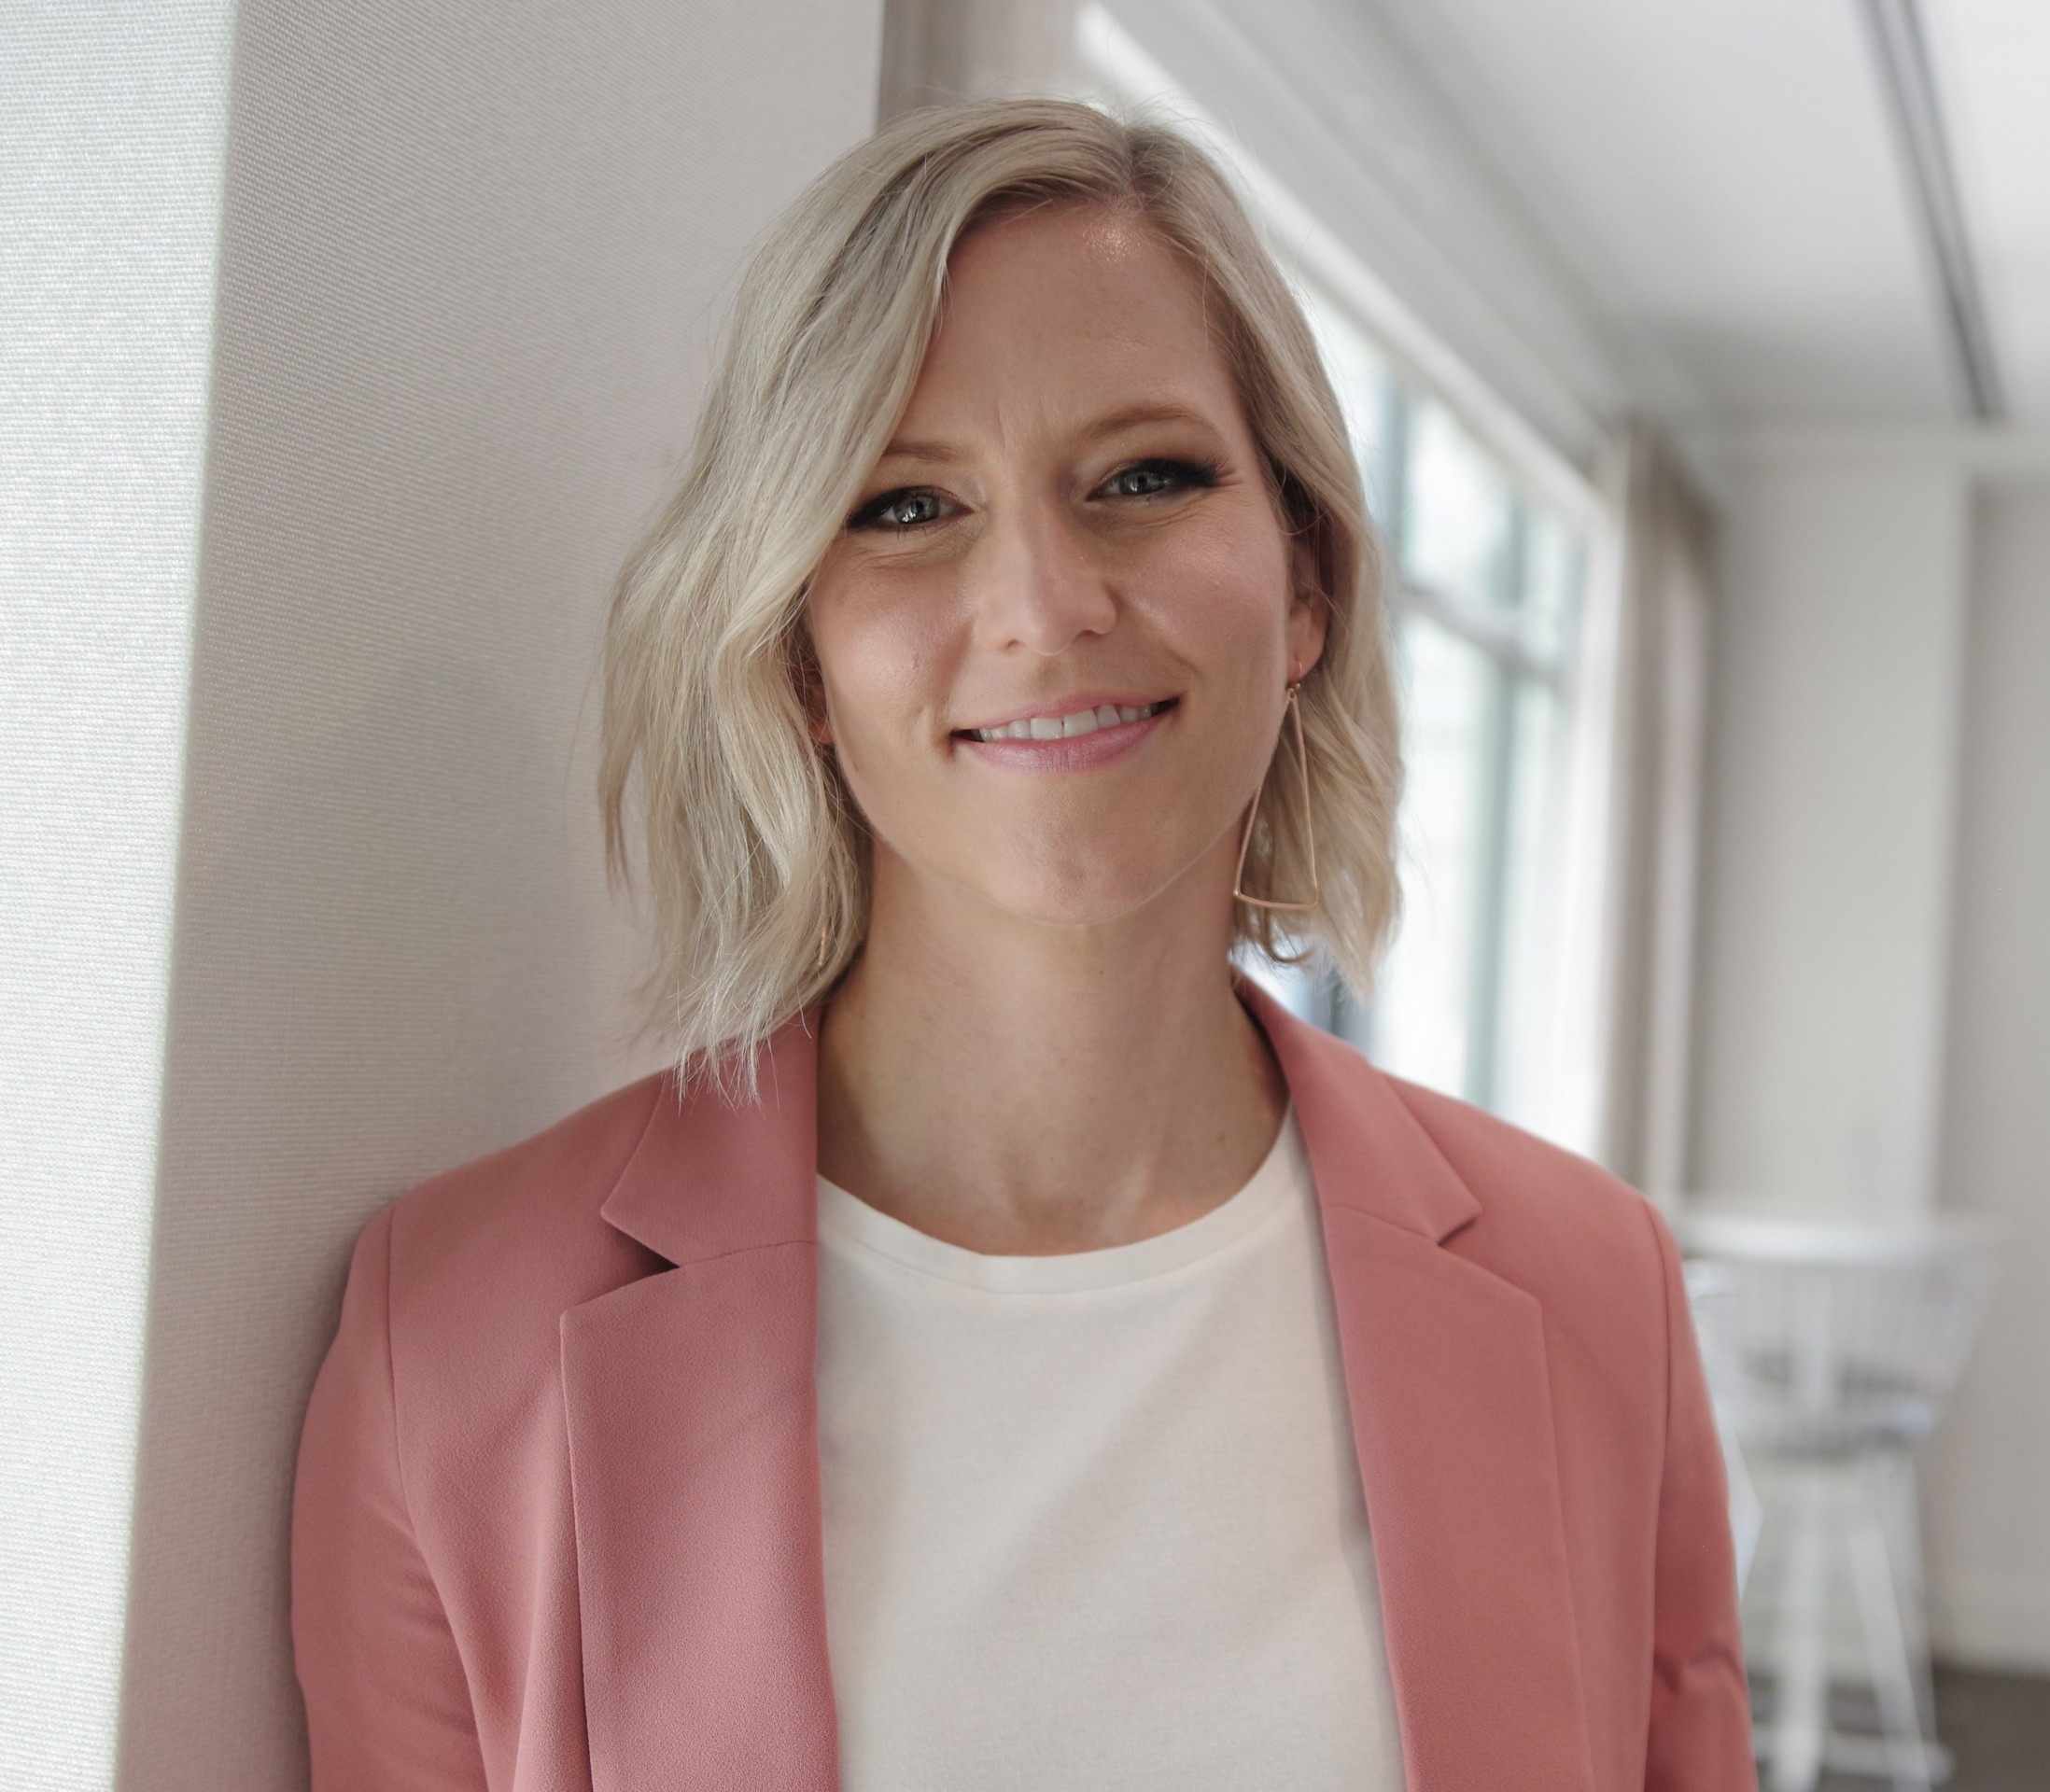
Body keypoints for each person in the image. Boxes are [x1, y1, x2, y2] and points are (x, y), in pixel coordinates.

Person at [289, 98, 1753, 1792]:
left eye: (1145, 477)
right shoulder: (452, 1338)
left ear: (1306, 585)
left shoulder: (1596, 1290)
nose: (1046, 607)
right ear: (797, 654)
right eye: (907, 506)